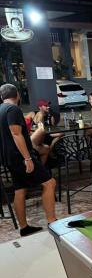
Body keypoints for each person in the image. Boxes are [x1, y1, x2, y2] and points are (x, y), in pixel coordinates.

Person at [0, 84, 57, 236]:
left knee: (20, 189)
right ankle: (53, 222)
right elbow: (16, 134)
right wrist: (27, 158)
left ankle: (24, 228)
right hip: (20, 157)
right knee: (49, 183)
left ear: (1, 97)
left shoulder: (1, 109)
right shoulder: (13, 109)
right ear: (17, 95)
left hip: (9, 158)